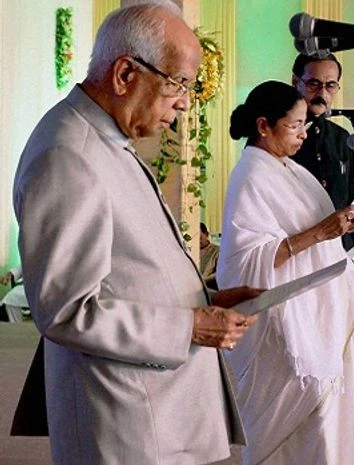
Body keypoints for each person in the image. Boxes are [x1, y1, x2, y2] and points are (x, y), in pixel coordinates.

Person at [12, 3, 259, 464]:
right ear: (125, 73)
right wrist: (189, 324)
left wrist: (204, 297)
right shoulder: (69, 155)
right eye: (178, 83)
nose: (185, 102)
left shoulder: (105, 138)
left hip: (154, 408)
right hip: (127, 421)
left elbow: (128, 268)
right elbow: (67, 310)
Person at [218, 80, 354, 465]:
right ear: (264, 125)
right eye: (294, 126)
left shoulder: (290, 170)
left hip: (324, 316)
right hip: (287, 327)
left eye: (305, 124)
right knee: (308, 430)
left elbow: (319, 234)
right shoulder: (251, 176)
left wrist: (344, 226)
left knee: (331, 424)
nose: (304, 134)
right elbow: (245, 261)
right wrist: (322, 231)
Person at [291, 53, 354, 302]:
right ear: (296, 82)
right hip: (296, 263)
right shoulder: (278, 136)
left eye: (330, 85)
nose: (322, 92)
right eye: (313, 83)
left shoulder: (343, 139)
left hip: (338, 259)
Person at [200, 222, 220, 289]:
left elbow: (219, 272)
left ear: (207, 234)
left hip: (207, 286)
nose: (198, 241)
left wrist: (203, 279)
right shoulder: (190, 250)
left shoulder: (217, 250)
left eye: (200, 237)